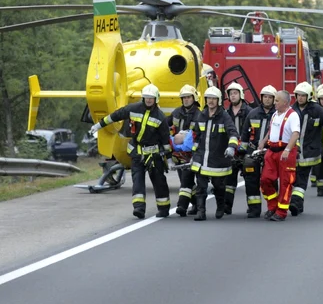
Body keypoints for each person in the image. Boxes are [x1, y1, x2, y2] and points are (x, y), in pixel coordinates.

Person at [89, 84, 172, 219]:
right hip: (137, 153)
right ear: (142, 98)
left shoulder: (160, 117)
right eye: (146, 97)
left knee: (159, 182)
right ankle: (139, 208)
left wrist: (168, 159)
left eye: (151, 98)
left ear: (156, 99)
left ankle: (163, 208)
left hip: (153, 155)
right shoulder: (134, 109)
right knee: (137, 180)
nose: (148, 100)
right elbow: (116, 115)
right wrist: (99, 125)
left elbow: (165, 140)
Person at [191, 87, 240, 221]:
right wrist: (193, 154)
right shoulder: (201, 115)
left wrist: (231, 147)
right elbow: (196, 135)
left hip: (218, 159)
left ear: (218, 101)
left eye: (213, 98)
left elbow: (233, 133)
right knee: (201, 187)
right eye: (208, 98)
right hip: (201, 158)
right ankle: (201, 212)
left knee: (219, 186)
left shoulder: (224, 116)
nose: (211, 101)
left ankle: (220, 206)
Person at [288, 82, 323, 216]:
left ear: (309, 96)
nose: (300, 98)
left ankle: (295, 203)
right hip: (293, 151)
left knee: (301, 178)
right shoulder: (291, 110)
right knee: (293, 179)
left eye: (303, 95)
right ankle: (298, 204)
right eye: (298, 95)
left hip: (310, 152)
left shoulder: (317, 110)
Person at [258, 90, 301, 221]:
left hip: (285, 152)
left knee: (285, 183)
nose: (274, 103)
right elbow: (271, 130)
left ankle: (281, 212)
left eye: (277, 100)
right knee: (265, 179)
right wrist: (263, 141)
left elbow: (295, 134)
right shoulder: (275, 114)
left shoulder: (293, 116)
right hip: (272, 151)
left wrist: (288, 150)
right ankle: (272, 206)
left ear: (285, 102)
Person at [240, 85, 278, 218]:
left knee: (270, 180)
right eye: (265, 97)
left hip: (271, 151)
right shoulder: (253, 113)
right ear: (261, 98)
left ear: (274, 99)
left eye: (270, 97)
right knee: (251, 180)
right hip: (253, 151)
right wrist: (242, 154)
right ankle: (254, 208)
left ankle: (273, 207)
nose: (267, 100)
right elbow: (245, 135)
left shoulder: (278, 115)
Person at [167, 84, 201, 216]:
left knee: (187, 177)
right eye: (184, 97)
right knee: (186, 181)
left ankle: (182, 206)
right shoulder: (176, 112)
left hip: (193, 153)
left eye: (188, 97)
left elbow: (199, 134)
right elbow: (165, 125)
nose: (186, 100)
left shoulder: (199, 115)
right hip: (178, 154)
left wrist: (183, 136)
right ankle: (197, 205)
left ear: (194, 98)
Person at [223, 81, 251, 215]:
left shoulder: (250, 112)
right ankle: (226, 207)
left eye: (235, 93)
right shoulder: (225, 113)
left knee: (250, 180)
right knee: (229, 182)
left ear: (241, 95)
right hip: (231, 151)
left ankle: (253, 208)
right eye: (231, 94)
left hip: (246, 152)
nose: (233, 96)